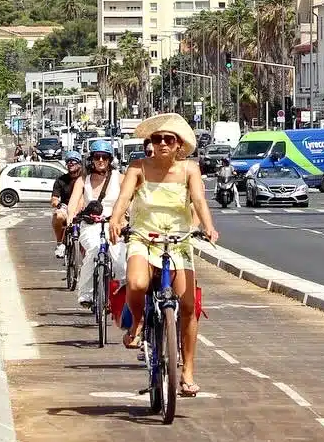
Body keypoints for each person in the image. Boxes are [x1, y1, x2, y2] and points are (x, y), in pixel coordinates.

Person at [108, 113, 219, 399]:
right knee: (137, 284)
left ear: (179, 144)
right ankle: (138, 323)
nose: (162, 144)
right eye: (156, 139)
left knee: (188, 306)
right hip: (143, 237)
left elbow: (198, 200)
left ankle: (188, 372)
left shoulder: (190, 170)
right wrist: (116, 220)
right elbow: (123, 199)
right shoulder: (138, 167)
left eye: (168, 139)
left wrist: (208, 227)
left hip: (178, 240)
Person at [67, 140, 126, 309]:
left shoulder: (120, 178)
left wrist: (126, 219)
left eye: (105, 157)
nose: (101, 160)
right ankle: (86, 293)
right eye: (97, 157)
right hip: (90, 225)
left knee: (120, 261)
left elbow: (129, 201)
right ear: (91, 159)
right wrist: (70, 218)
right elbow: (73, 203)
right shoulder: (82, 180)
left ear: (110, 160)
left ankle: (117, 294)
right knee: (93, 250)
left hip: (113, 224)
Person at [50, 152, 84, 259]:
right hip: (65, 207)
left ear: (79, 164)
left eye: (73, 161)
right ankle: (60, 244)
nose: (70, 164)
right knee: (58, 216)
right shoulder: (61, 180)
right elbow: (54, 198)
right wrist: (57, 204)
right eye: (68, 162)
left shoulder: (86, 179)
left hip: (84, 208)